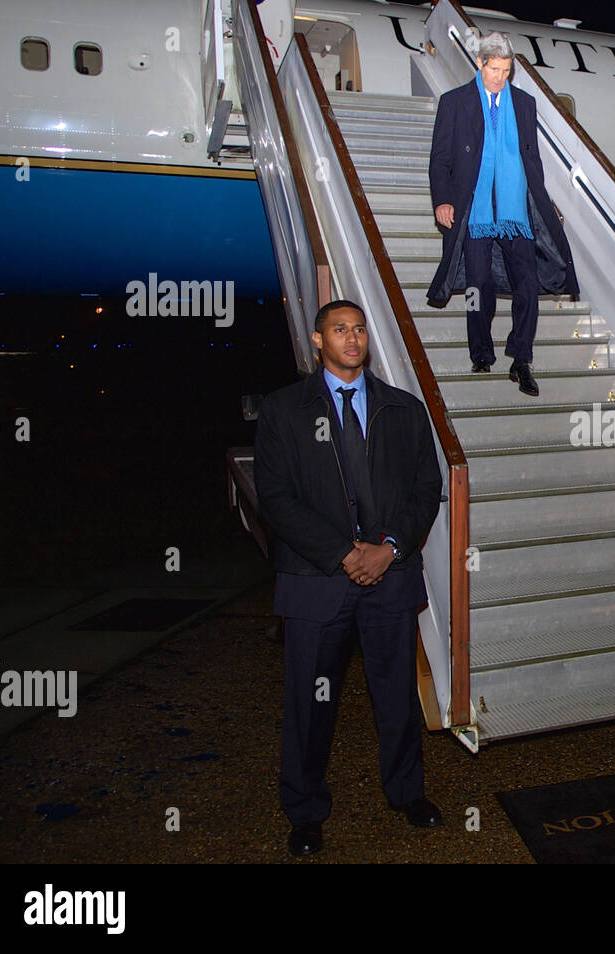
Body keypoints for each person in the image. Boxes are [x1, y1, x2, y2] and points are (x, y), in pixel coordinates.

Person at [254, 299, 444, 857]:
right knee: (311, 702)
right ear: (319, 341)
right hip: (317, 581)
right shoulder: (285, 410)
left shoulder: (403, 410)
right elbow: (277, 501)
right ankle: (306, 812)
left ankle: (407, 793)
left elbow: (423, 488)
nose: (352, 339)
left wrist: (388, 548)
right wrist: (344, 554)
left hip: (390, 575)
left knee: (397, 696)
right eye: (339, 330)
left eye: (359, 329)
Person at [427, 31, 578, 396]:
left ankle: (520, 359)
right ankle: (481, 353)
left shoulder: (524, 103)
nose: (500, 77)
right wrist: (442, 200)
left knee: (527, 286)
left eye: (506, 70)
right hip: (475, 209)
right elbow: (440, 159)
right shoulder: (455, 102)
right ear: (480, 64)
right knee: (478, 287)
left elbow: (531, 160)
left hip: (515, 210)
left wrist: (543, 202)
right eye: (495, 69)